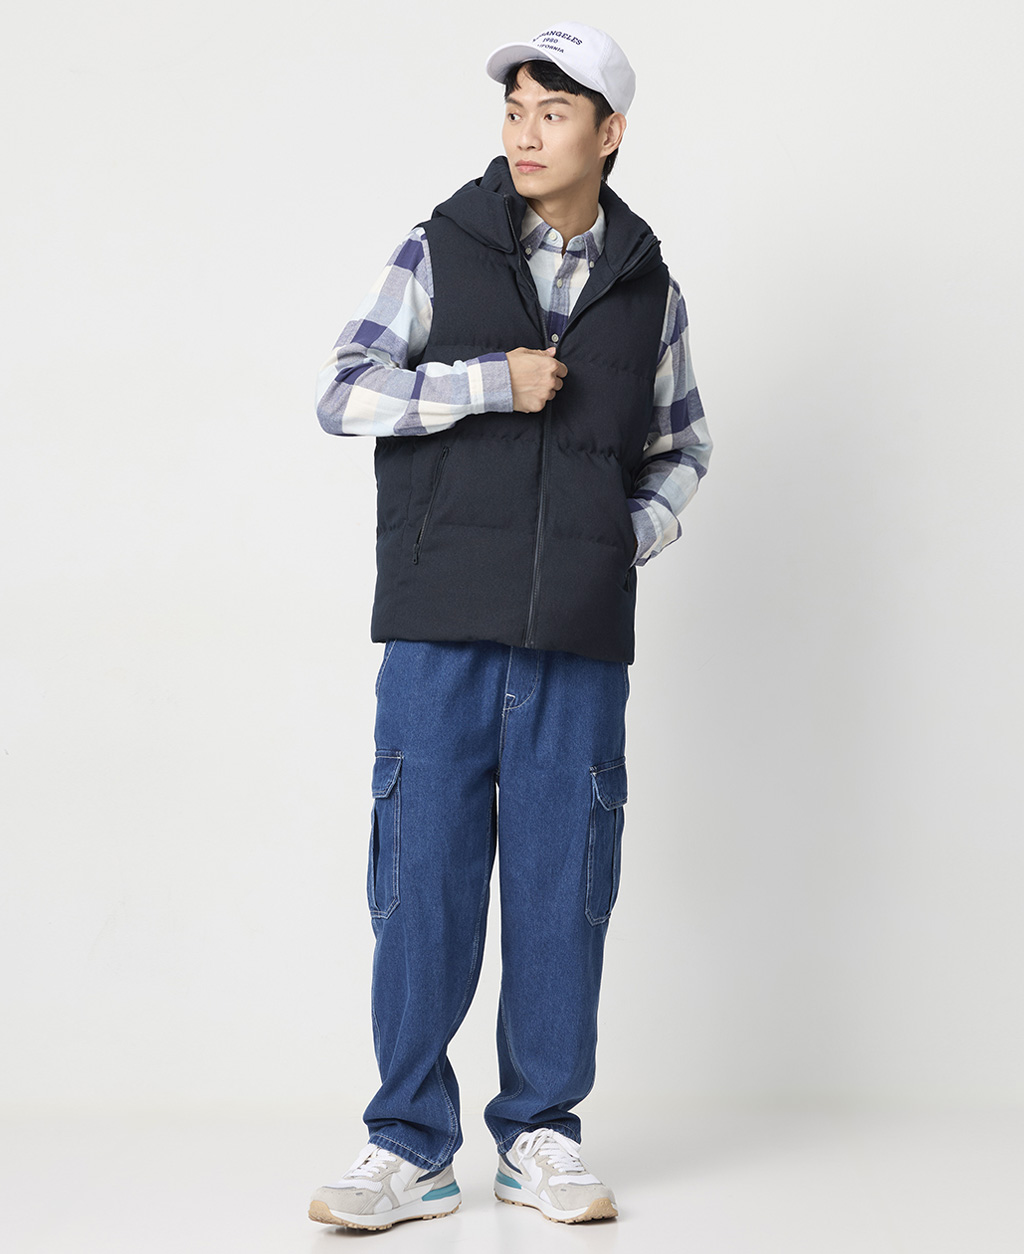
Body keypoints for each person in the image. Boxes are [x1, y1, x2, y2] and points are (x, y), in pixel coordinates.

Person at [307, 20, 712, 1231]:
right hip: (439, 624)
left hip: (575, 639)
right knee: (420, 886)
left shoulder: (648, 287)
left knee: (560, 891)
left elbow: (683, 446)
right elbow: (344, 391)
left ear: (609, 132)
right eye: (514, 111)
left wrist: (618, 542)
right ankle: (407, 1145)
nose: (526, 134)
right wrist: (489, 382)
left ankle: (541, 1135)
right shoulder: (440, 247)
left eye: (553, 112)